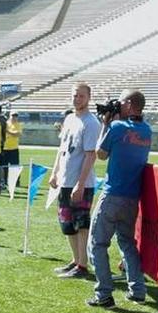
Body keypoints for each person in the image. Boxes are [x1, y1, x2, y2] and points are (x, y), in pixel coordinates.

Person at [86, 90, 153, 307]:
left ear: (130, 104)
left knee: (97, 243)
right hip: (132, 198)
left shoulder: (116, 127)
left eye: (122, 101)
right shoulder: (147, 130)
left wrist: (106, 124)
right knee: (127, 242)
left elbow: (101, 154)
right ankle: (138, 290)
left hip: (113, 194)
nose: (119, 105)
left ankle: (104, 294)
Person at [48, 82, 101, 280]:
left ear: (88, 98)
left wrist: (80, 184)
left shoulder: (91, 123)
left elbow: (90, 155)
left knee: (81, 224)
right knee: (67, 222)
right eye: (74, 95)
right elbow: (61, 149)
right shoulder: (70, 118)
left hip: (81, 183)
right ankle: (75, 259)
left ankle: (83, 264)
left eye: (81, 96)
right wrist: (55, 173)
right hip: (65, 180)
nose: (77, 99)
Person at [3, 111, 23, 193]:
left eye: (16, 116)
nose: (14, 117)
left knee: (15, 166)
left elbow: (17, 134)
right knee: (5, 166)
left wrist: (8, 132)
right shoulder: (6, 123)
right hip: (5, 148)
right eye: (13, 115)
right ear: (9, 116)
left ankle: (16, 181)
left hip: (14, 148)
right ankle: (5, 181)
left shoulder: (18, 125)